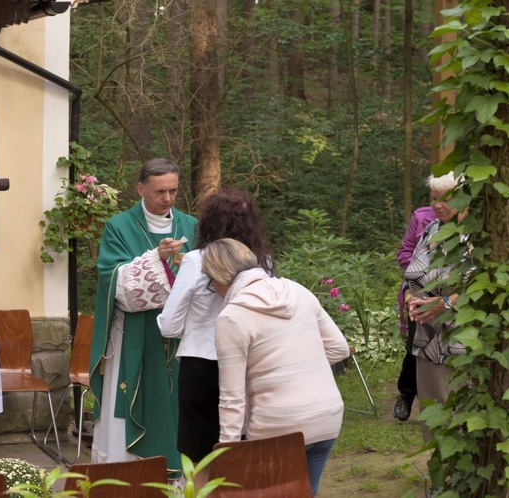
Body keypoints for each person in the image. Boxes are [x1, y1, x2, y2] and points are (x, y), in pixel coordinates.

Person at [202, 238, 350, 497]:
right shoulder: (298, 290)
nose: (213, 288)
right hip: (326, 416)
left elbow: (232, 398)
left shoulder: (231, 318)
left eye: (210, 282)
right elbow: (340, 348)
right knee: (306, 492)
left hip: (276, 427)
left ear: (219, 277)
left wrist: (227, 454)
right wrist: (297, 368)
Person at [88, 158, 197, 475]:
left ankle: (178, 482)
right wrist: (156, 259)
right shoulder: (118, 227)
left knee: (177, 409)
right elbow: (114, 283)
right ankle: (127, 478)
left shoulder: (190, 226)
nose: (167, 199)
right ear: (140, 188)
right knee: (133, 403)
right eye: (160, 191)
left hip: (180, 340)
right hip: (135, 336)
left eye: (173, 191)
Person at [156, 189, 273, 477]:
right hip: (249, 364)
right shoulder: (264, 261)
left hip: (202, 366)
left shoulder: (197, 260)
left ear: (208, 223)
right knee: (242, 454)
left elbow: (169, 325)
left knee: (199, 461)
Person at [405, 172, 470, 443]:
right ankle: (438, 476)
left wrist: (442, 304)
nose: (437, 205)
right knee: (431, 413)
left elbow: (478, 288)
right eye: (434, 198)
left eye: (445, 198)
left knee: (457, 412)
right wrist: (410, 296)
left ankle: (462, 481)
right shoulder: (433, 229)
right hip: (426, 338)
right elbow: (412, 274)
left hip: (460, 340)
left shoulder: (475, 235)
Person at [393, 204, 436, 421]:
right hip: (418, 294)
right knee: (415, 347)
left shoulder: (468, 217)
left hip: (451, 296)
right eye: (435, 197)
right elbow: (404, 253)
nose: (439, 203)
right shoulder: (421, 216)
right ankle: (407, 394)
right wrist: (423, 271)